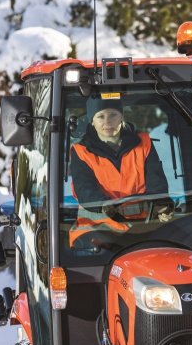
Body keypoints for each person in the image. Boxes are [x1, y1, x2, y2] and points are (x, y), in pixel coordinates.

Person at [68, 95, 173, 246]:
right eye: (100, 116)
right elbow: (84, 189)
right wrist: (105, 205)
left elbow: (157, 183)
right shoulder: (81, 152)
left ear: (121, 117)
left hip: (142, 226)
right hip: (97, 229)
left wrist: (161, 205)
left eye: (113, 115)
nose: (107, 121)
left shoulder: (144, 143)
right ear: (92, 121)